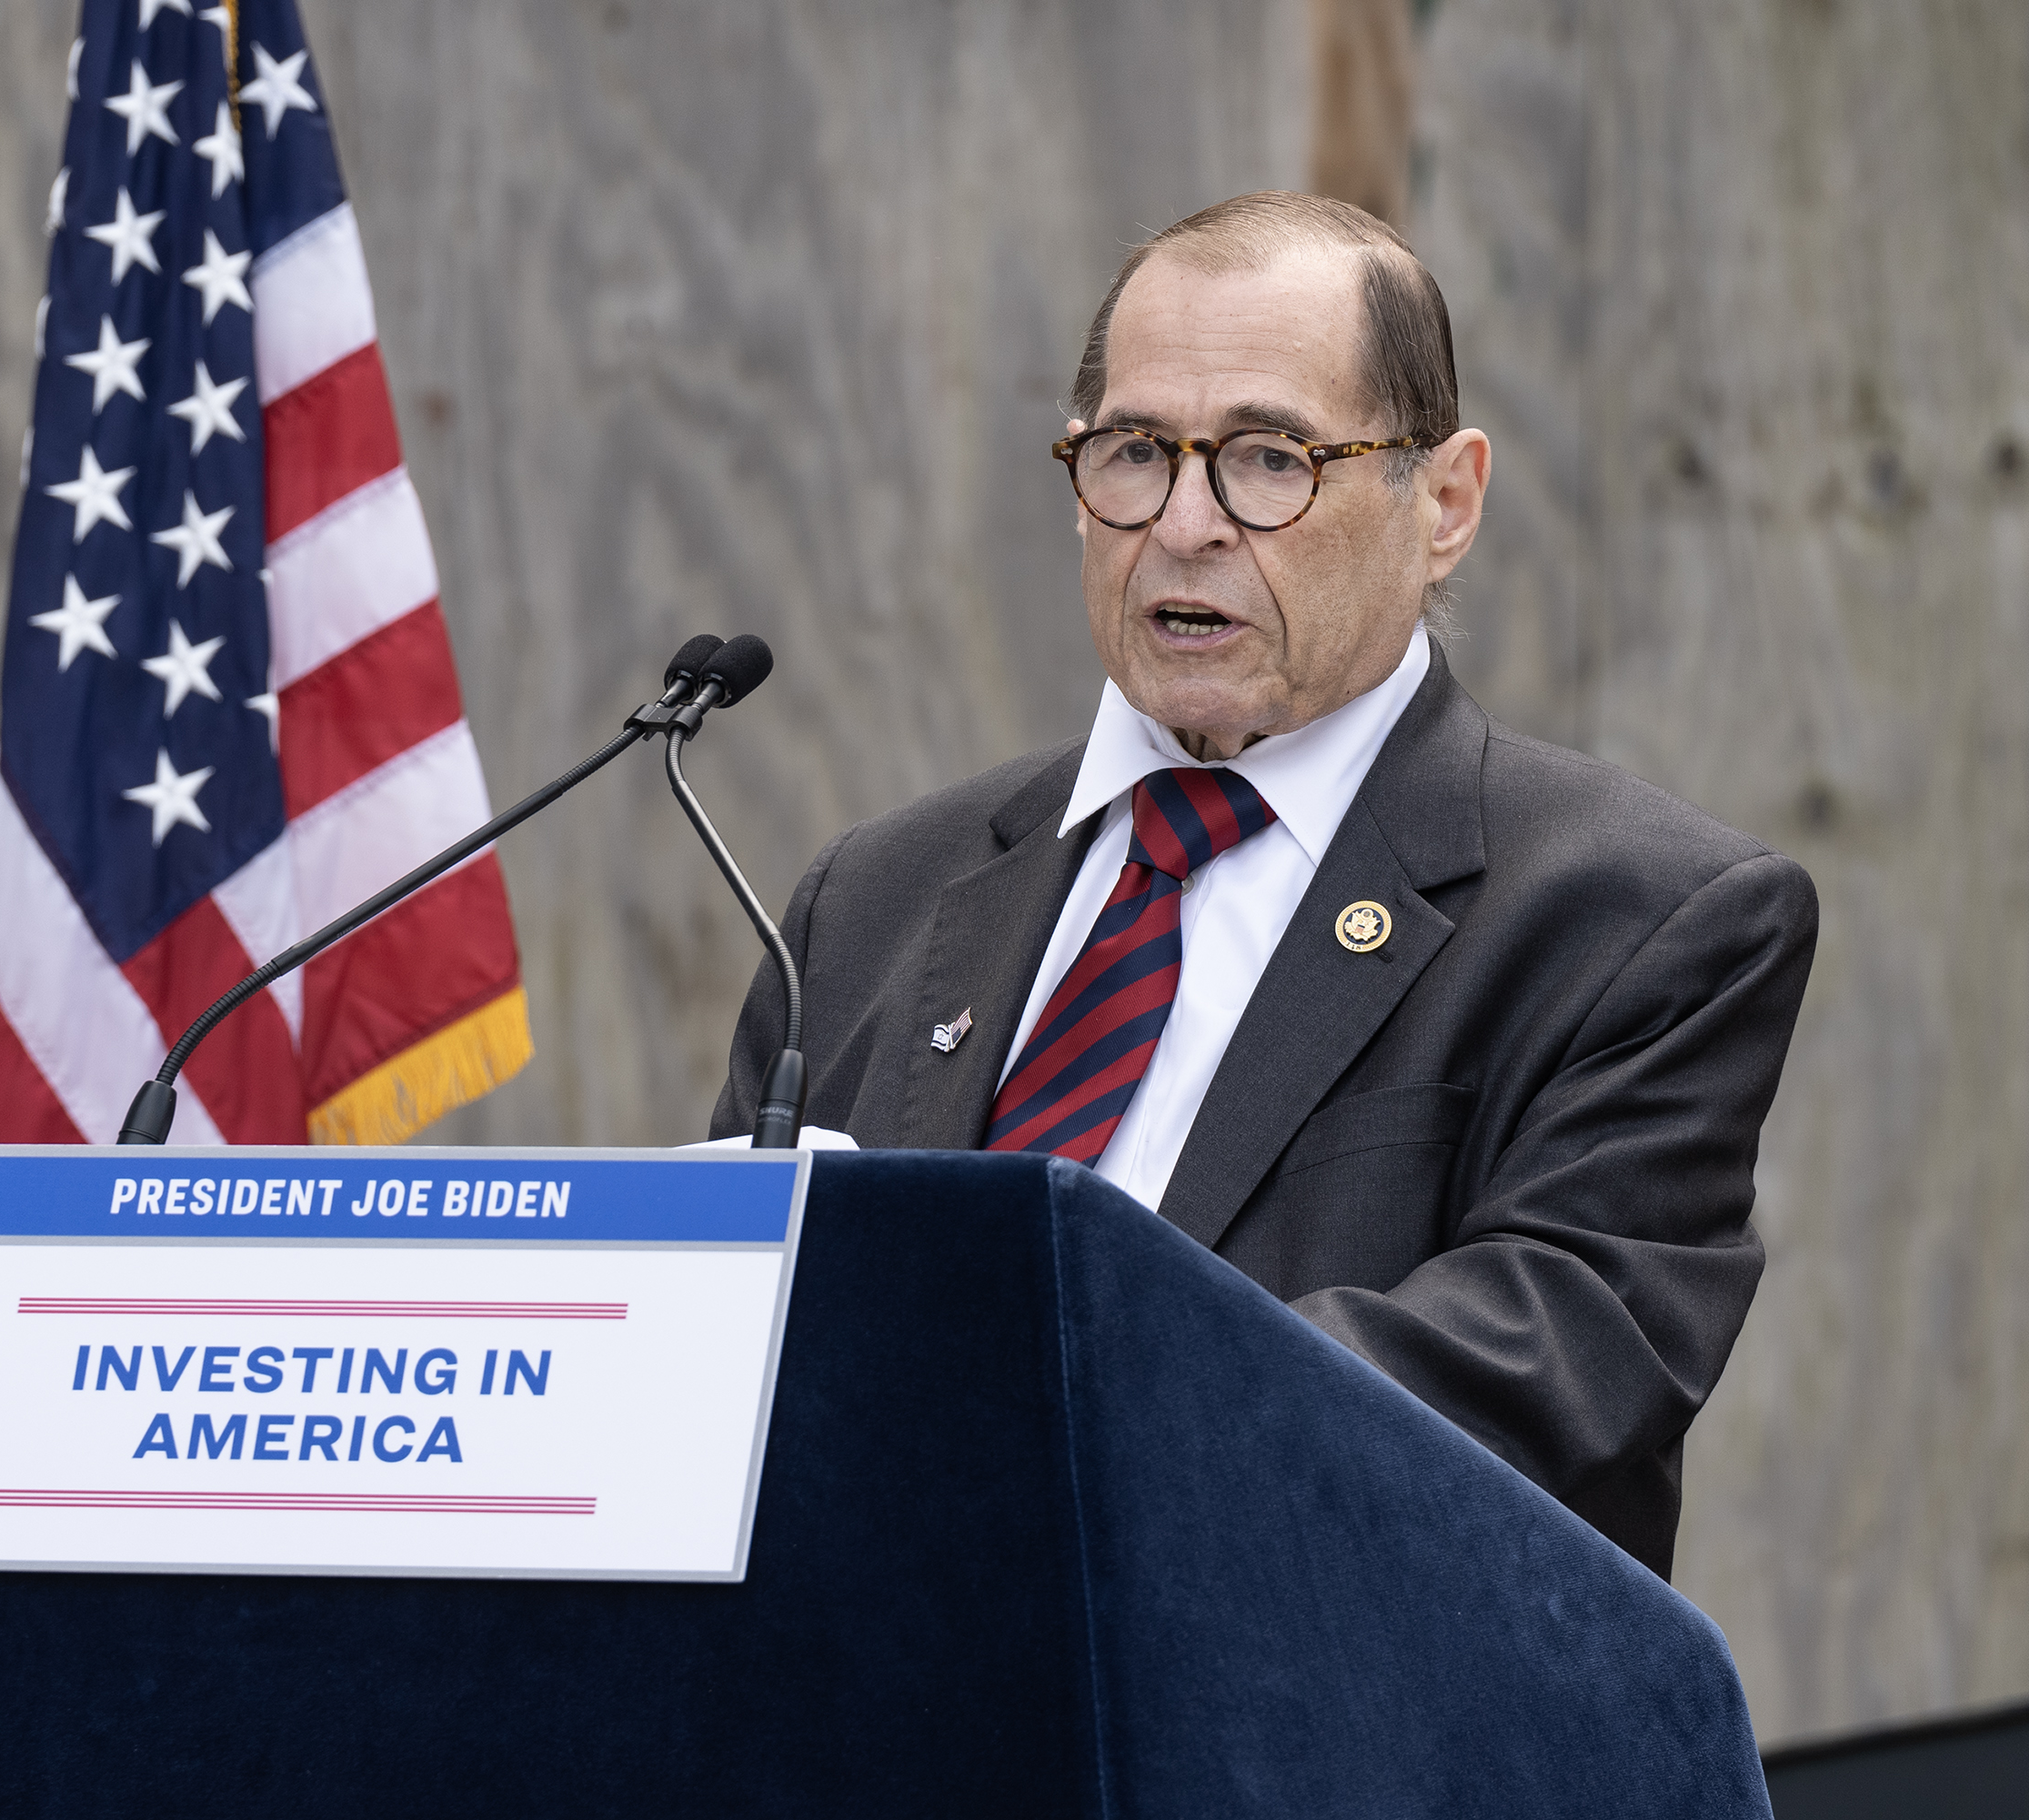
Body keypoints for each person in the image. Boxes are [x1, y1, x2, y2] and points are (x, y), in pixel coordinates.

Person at [714, 191, 1815, 1579]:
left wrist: (1013, 1392)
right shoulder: (868, 901)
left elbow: (1543, 1374)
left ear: (1447, 502)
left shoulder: (1639, 920)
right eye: (1132, 452)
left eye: (1267, 457)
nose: (1184, 523)